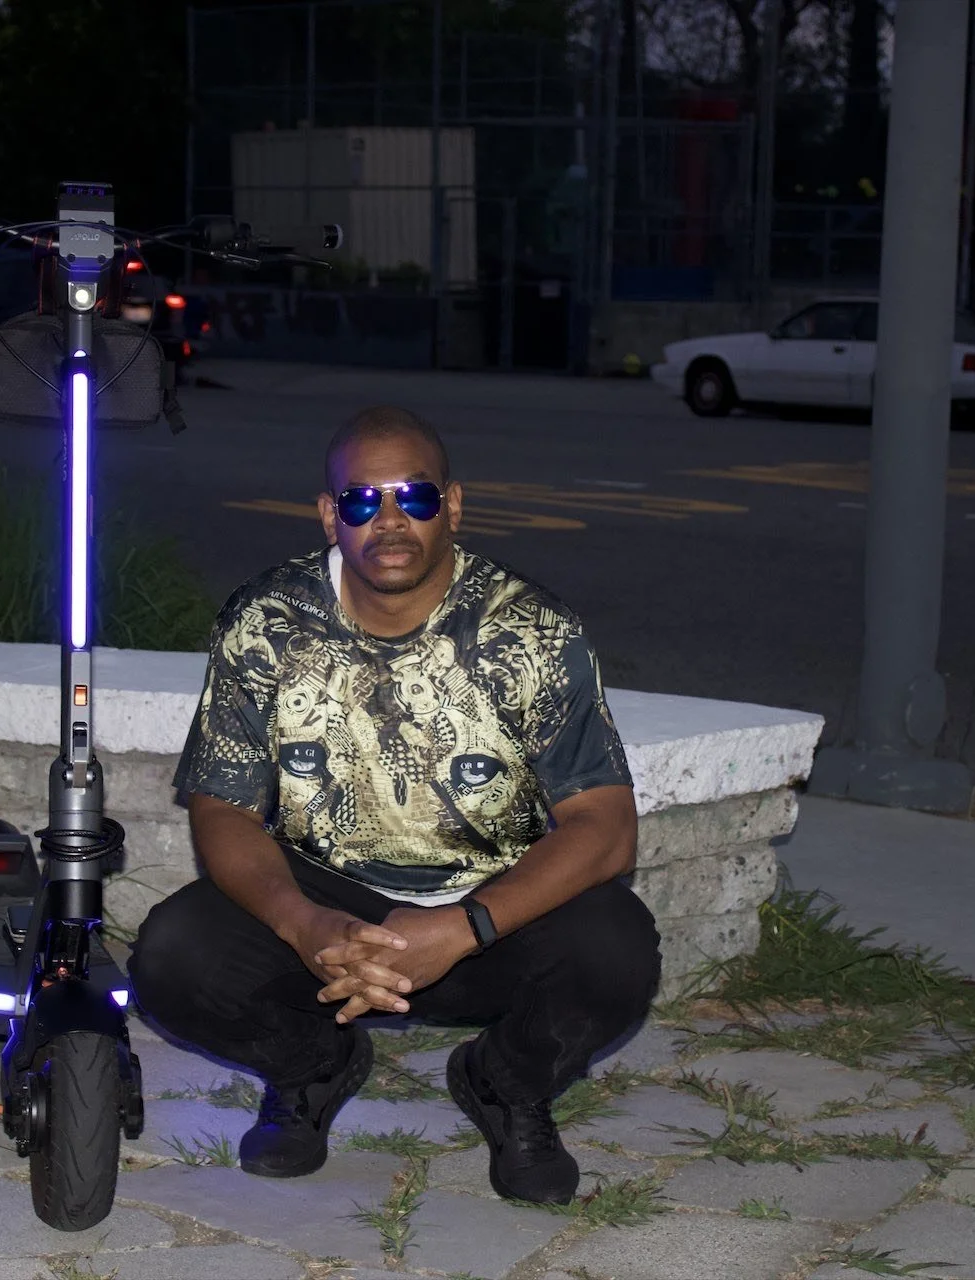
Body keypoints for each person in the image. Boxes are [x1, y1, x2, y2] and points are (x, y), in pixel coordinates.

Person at [128, 406, 660, 1205]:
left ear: (453, 505)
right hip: (328, 904)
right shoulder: (267, 621)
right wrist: (303, 924)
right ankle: (313, 1066)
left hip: (484, 911)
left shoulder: (532, 631)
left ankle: (505, 1084)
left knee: (617, 949)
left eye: (413, 496)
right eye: (360, 500)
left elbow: (607, 829)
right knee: (172, 955)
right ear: (328, 515)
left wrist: (462, 927)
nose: (388, 521)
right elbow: (222, 808)